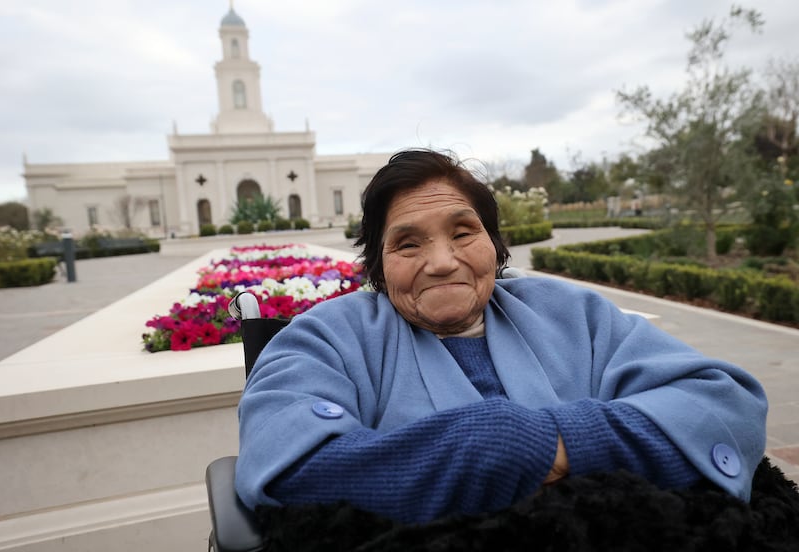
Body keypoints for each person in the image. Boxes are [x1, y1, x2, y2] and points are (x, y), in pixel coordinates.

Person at [235, 148, 767, 524]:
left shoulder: (572, 312)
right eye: (408, 243)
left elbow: (724, 406)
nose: (442, 262)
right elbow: (291, 464)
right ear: (378, 265)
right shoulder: (325, 338)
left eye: (464, 232)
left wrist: (549, 443)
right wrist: (491, 446)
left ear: (494, 244)